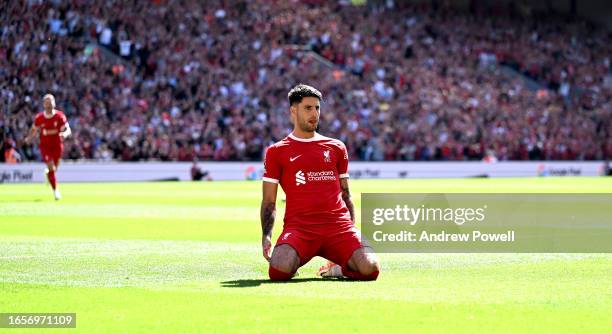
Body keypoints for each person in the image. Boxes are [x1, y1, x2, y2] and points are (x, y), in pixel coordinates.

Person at [260, 84, 380, 281]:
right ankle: (293, 263)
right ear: (293, 110)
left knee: (371, 269)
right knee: (278, 271)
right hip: (300, 228)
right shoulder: (276, 151)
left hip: (338, 227)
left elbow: (346, 195)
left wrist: (352, 233)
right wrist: (266, 236)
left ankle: (339, 267)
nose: (314, 113)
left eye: (317, 108)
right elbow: (269, 201)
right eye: (308, 108)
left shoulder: (336, 147)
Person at [25, 94, 71, 200]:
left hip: (57, 145)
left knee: (54, 168)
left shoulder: (59, 116)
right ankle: (56, 191)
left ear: (54, 103)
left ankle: (49, 174)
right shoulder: (39, 118)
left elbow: (68, 129)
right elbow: (34, 129)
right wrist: (29, 138)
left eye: (50, 103)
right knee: (51, 166)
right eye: (47, 103)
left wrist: (65, 134)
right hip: (45, 146)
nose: (49, 105)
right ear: (44, 105)